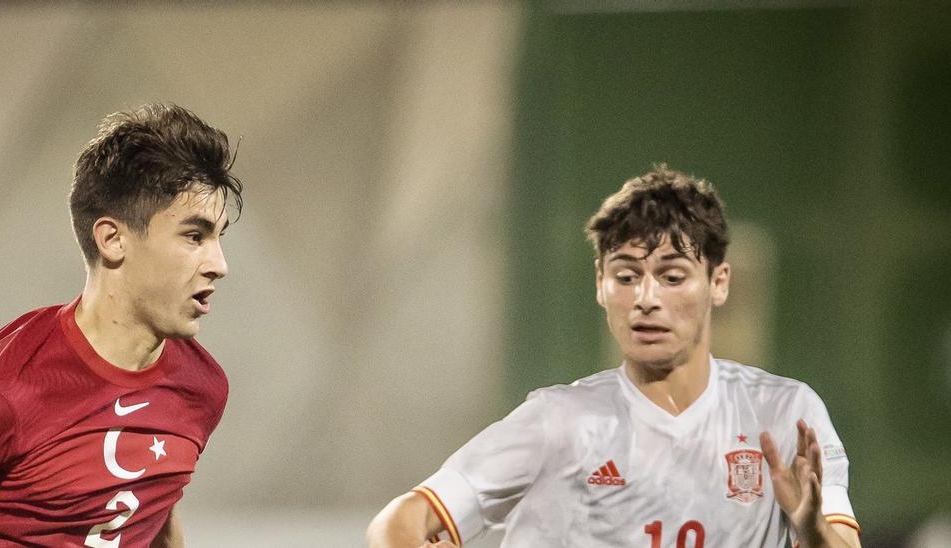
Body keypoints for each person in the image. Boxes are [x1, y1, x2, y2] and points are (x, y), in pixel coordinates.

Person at [366, 165, 861, 548]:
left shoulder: (783, 414)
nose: (646, 298)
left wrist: (812, 528)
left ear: (719, 282)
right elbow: (398, 522)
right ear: (600, 287)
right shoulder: (559, 422)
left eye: (671, 277)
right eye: (625, 276)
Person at [0, 103, 242, 547]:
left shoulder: (202, 387)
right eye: (195, 236)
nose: (219, 264)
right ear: (113, 240)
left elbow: (149, 506)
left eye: (218, 237)